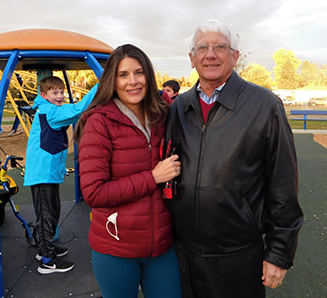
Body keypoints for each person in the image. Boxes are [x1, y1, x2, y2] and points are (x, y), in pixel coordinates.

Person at [164, 19, 303, 298]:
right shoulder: (179, 107)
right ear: (192, 59)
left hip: (237, 256)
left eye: (220, 47)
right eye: (202, 48)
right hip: (183, 255)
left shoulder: (264, 105)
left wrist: (278, 252)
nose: (210, 54)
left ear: (235, 56)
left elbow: (283, 183)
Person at [74, 44, 182, 298]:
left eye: (139, 72)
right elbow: (94, 193)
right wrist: (153, 177)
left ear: (149, 76)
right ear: (113, 79)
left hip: (162, 245)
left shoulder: (161, 115)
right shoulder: (99, 122)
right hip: (116, 248)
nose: (132, 82)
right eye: (123, 75)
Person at [24, 75, 98, 274]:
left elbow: (74, 115)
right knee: (46, 214)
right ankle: (47, 261)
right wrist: (101, 85)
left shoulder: (49, 109)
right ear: (44, 95)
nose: (59, 96)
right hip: (42, 173)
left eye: (61, 92)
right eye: (54, 93)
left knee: (52, 211)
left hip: (48, 172)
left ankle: (44, 248)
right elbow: (78, 109)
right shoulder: (50, 111)